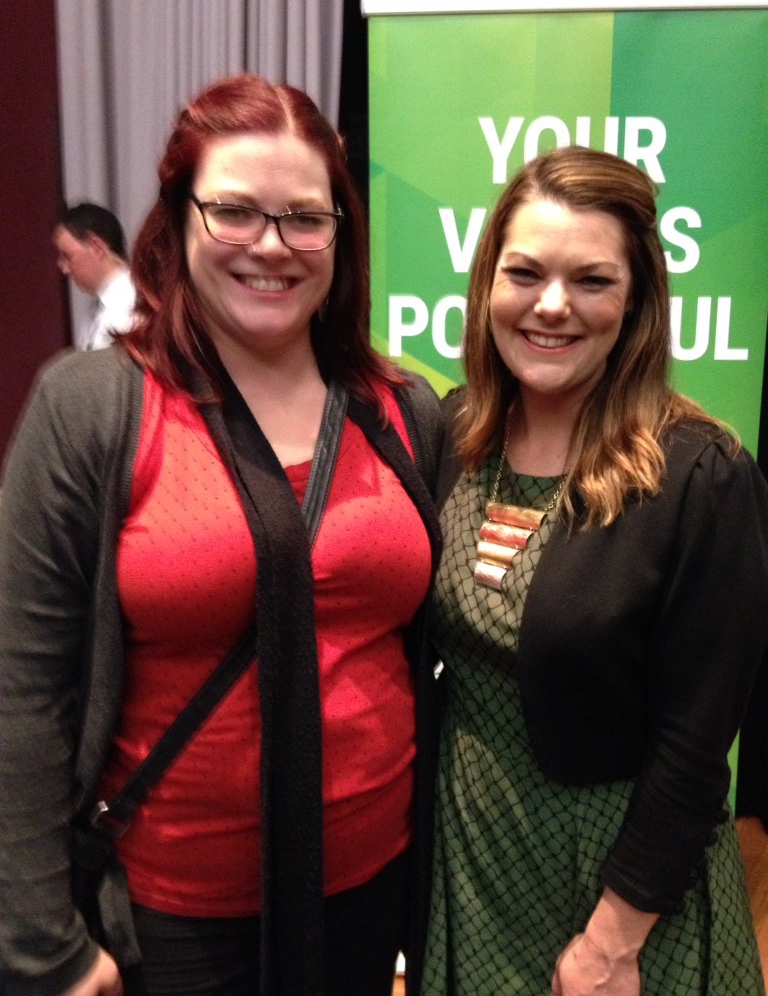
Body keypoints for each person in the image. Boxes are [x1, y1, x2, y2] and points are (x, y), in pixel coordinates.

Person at [0, 73, 443, 996]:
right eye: (234, 211)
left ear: (341, 232)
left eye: (305, 219)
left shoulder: (404, 411)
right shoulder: (91, 409)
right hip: (173, 925)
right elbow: (22, 688)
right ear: (178, 218)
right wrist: (45, 943)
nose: (271, 246)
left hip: (374, 893)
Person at [422, 146, 768, 995]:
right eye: (525, 273)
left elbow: (696, 746)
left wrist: (614, 941)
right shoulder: (454, 435)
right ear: (488, 283)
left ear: (637, 299)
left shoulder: (698, 475)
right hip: (471, 859)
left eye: (592, 280)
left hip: (620, 889)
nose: (552, 305)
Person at [53, 202, 138, 349]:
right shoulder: (97, 309)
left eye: (67, 256)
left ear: (97, 247)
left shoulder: (132, 305)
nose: (64, 269)